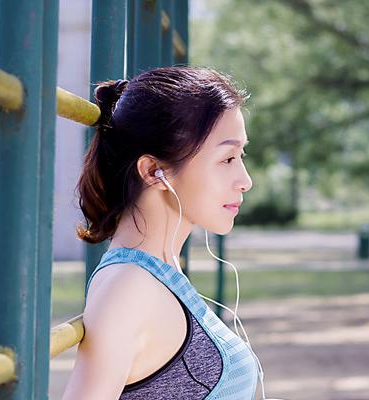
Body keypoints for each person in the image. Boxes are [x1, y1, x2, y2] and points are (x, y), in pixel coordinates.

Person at [61, 66, 278, 399]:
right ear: (154, 171)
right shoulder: (129, 287)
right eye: (228, 158)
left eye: (241, 156)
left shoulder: (159, 271)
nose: (245, 180)